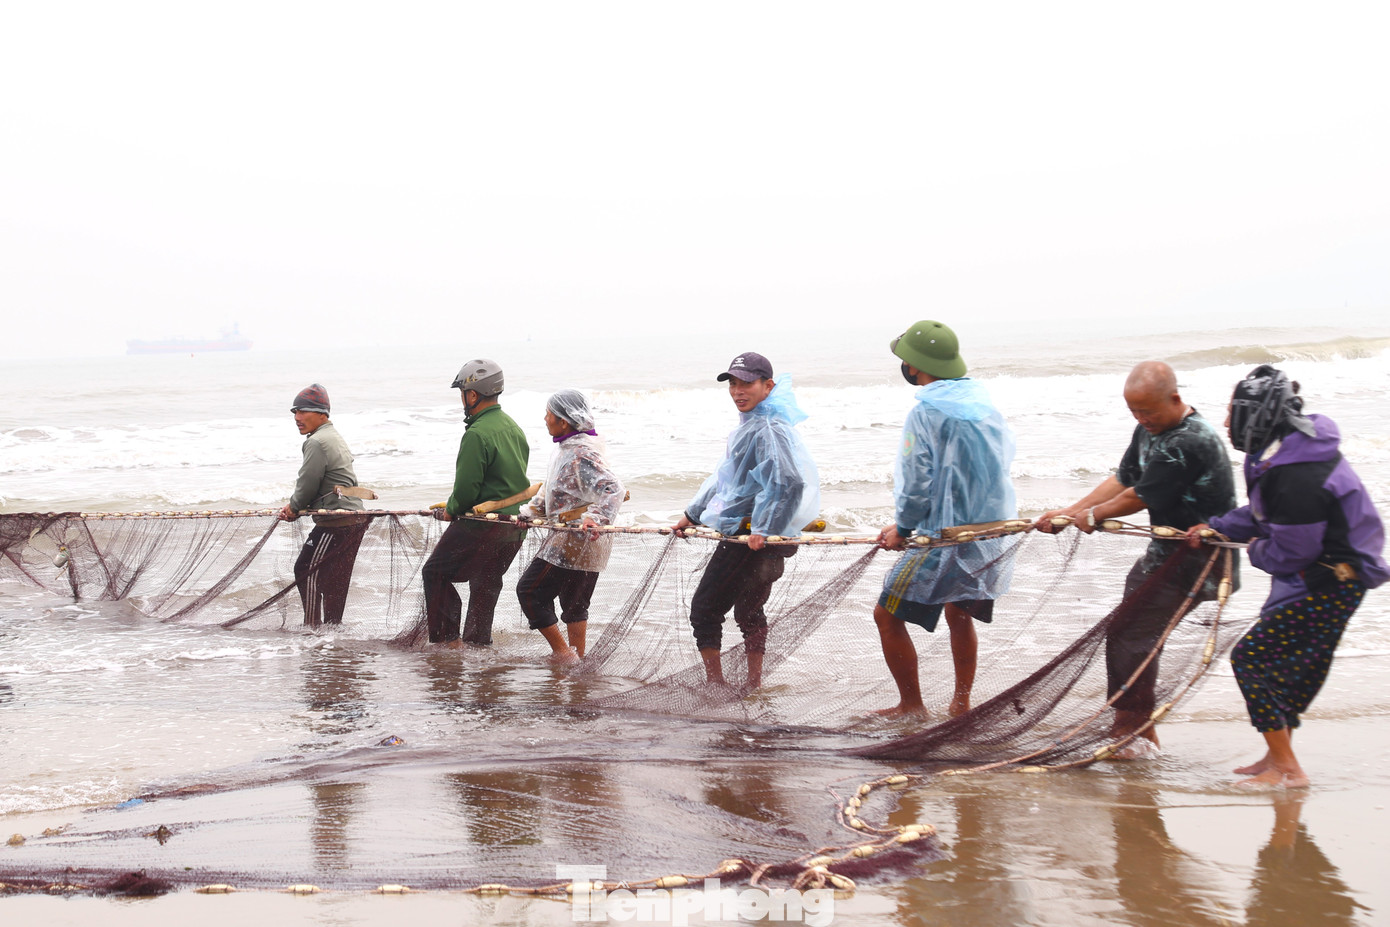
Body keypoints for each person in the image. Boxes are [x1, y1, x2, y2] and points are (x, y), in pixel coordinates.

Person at [1188, 365, 1386, 788]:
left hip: (1333, 579)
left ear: (1257, 414)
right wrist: (1219, 527)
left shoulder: (1297, 471)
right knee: (1293, 667)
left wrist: (1254, 547)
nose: (1226, 422)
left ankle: (1287, 768)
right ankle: (1278, 755)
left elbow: (1293, 549)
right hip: (1320, 574)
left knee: (1251, 660)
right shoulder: (1283, 448)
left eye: (1232, 412)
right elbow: (1264, 514)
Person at [1036, 360, 1238, 756]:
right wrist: (1069, 511)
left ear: (1176, 398)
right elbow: (1124, 478)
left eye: (1148, 410)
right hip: (1164, 554)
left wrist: (1093, 516)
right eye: (1134, 411)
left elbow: (1138, 496)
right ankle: (1132, 730)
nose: (1142, 418)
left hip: (1200, 559)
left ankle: (1133, 733)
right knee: (1130, 633)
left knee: (1133, 634)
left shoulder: (1190, 440)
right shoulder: (1150, 430)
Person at [872, 320, 1017, 719]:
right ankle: (960, 703)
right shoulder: (983, 403)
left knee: (886, 613)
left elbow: (916, 481)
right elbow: (995, 468)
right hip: (987, 530)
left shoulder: (926, 412)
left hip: (943, 535)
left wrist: (903, 529)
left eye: (906, 359)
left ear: (917, 365)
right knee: (959, 612)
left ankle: (912, 705)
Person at [673, 352, 820, 690]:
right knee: (748, 612)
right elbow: (727, 480)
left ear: (768, 386)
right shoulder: (754, 424)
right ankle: (753, 685)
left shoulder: (766, 427)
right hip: (760, 536)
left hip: (750, 536)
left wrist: (766, 527)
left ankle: (716, 685)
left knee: (705, 609)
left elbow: (789, 482)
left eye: (747, 384)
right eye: (734, 384)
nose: (739, 391)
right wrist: (691, 515)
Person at [422, 359, 531, 646]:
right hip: (513, 528)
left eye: (462, 393)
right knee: (485, 584)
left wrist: (451, 510)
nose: (462, 400)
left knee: (434, 573)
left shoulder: (477, 434)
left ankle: (448, 643)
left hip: (482, 525)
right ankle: (477, 647)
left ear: (472, 395)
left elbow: (467, 491)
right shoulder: (514, 428)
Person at [515, 390, 625, 665]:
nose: (545, 419)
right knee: (574, 604)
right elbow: (556, 490)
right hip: (581, 538)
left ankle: (564, 654)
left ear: (564, 421)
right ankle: (579, 662)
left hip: (577, 538)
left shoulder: (581, 452)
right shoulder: (566, 448)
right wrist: (530, 513)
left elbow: (613, 489)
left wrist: (597, 518)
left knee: (529, 592)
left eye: (549, 414)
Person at [279, 383, 368, 627]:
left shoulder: (317, 442)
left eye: (303, 412)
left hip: (337, 522)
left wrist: (294, 507)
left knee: (304, 569)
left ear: (322, 414)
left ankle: (313, 627)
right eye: (295, 412)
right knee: (335, 579)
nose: (297, 418)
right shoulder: (332, 436)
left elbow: (308, 482)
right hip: (354, 519)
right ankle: (331, 631)